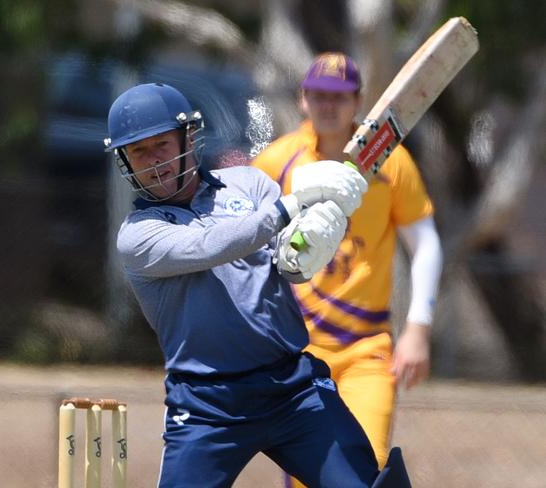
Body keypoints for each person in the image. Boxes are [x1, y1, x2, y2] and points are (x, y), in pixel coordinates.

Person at [105, 82, 412, 487]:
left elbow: (287, 265)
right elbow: (207, 247)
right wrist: (289, 207)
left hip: (293, 389)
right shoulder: (137, 235)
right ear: (124, 161)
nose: (154, 162)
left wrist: (312, 240)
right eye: (139, 151)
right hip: (207, 405)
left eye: (161, 144)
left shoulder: (248, 184)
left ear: (189, 136)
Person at [252, 52, 443, 483]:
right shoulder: (276, 161)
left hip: (367, 349)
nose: (328, 105)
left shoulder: (391, 162)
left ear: (357, 101)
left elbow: (426, 242)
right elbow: (246, 246)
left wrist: (419, 328)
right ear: (303, 99)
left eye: (339, 96)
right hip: (296, 351)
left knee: (363, 467)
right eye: (319, 95)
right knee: (308, 475)